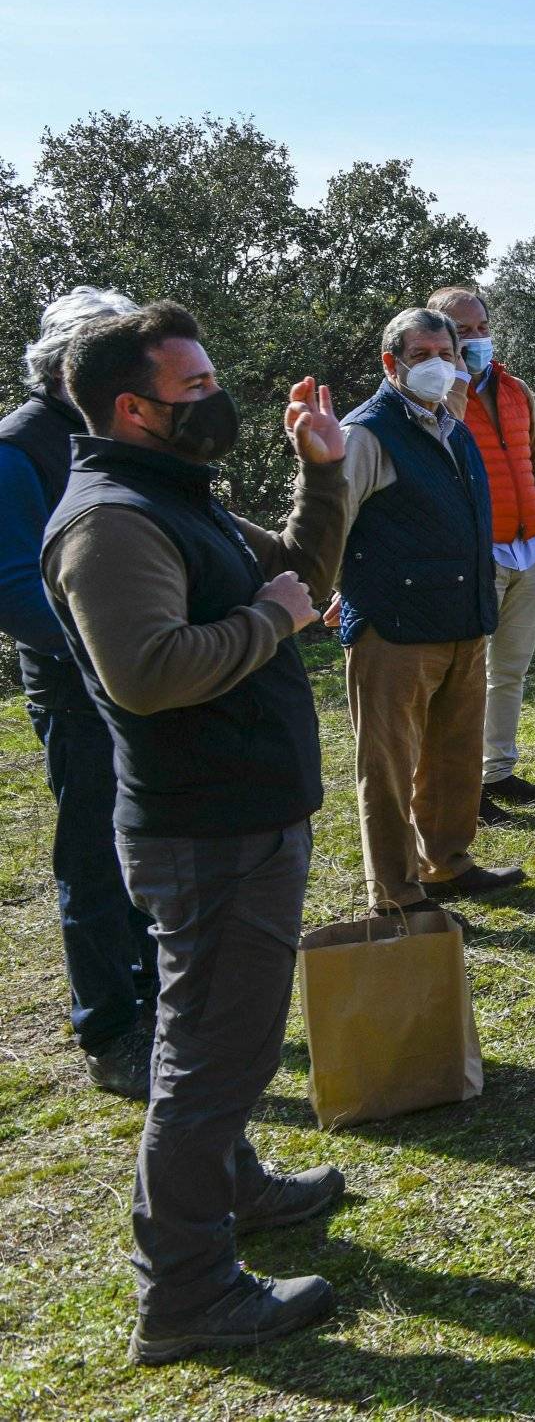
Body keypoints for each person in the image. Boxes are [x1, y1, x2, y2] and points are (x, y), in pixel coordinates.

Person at [42, 303, 349, 1362]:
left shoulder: (177, 494)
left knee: (217, 1041)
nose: (218, 401)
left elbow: (307, 581)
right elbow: (154, 672)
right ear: (131, 408)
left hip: (248, 811)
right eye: (195, 389)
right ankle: (186, 1294)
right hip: (205, 828)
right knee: (209, 1062)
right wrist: (271, 620)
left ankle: (237, 1187)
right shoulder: (111, 522)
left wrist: (321, 473)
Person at [1, 286, 155, 1099]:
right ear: (60, 363)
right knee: (95, 853)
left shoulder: (116, 428)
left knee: (151, 839)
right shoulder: (19, 447)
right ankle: (107, 1027)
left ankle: (160, 1004)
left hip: (147, 676)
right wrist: (111, 647)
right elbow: (14, 588)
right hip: (76, 686)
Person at [338, 308, 522, 913]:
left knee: (454, 755)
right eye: (423, 357)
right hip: (393, 629)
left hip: (462, 621)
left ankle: (446, 862)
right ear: (392, 365)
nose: (441, 367)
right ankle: (394, 893)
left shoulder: (452, 425)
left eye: (448, 354)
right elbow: (326, 522)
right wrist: (329, 589)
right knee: (389, 768)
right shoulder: (366, 433)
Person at [426, 288, 535, 826]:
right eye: (461, 331)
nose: (476, 339)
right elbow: (442, 444)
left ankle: (498, 771)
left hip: (526, 549)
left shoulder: (516, 390)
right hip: (471, 553)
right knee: (462, 677)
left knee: (508, 669)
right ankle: (462, 787)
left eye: (481, 327)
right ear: (439, 335)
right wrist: (458, 382)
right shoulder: (430, 397)